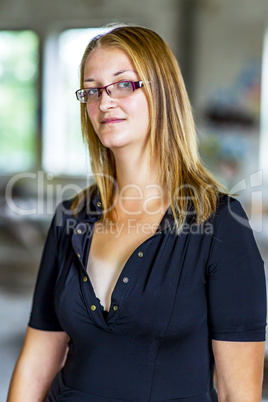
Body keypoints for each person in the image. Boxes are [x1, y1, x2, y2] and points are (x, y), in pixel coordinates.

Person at [7, 25, 266, 402]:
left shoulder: (221, 224)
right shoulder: (71, 217)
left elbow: (236, 392)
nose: (105, 102)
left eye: (123, 84)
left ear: (162, 93)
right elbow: (37, 359)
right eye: (92, 90)